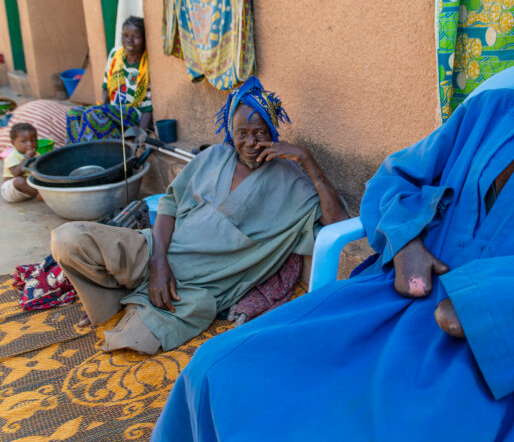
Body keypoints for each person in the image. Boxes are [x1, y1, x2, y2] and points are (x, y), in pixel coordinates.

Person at [152, 0, 514, 442]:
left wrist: (503, 297)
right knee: (218, 369)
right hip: (397, 295)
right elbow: (398, 175)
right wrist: (406, 243)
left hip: (500, 340)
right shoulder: (487, 110)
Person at [51, 77, 348, 354]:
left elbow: (339, 223)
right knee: (68, 239)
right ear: (231, 133)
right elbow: (169, 203)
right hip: (154, 252)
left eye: (260, 133)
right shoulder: (214, 157)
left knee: (131, 342)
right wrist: (158, 262)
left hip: (195, 288)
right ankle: (123, 300)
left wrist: (307, 160)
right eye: (242, 133)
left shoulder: (291, 182)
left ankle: (135, 304)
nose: (251, 142)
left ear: (273, 132)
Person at [66, 16, 152, 143]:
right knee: (73, 113)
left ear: (144, 40)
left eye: (136, 36)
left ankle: (91, 152)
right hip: (114, 110)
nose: (129, 40)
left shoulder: (145, 67)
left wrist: (139, 137)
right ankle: (73, 151)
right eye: (125, 35)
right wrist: (104, 112)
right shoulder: (116, 54)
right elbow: (106, 86)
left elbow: (147, 109)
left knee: (93, 113)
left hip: (133, 114)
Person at [1, 122, 38, 203]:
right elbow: (16, 173)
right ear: (13, 143)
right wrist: (27, 158)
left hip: (28, 188)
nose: (30, 144)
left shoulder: (37, 154)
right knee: (19, 180)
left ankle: (39, 192)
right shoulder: (11, 157)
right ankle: (41, 196)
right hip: (12, 190)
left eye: (33, 140)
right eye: (24, 141)